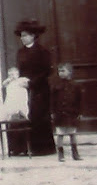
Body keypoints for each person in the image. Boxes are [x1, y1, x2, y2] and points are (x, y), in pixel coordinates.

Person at [12, 19, 56, 156]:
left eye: (25, 35)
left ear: (33, 36)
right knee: (23, 115)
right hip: (24, 88)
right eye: (21, 36)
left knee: (39, 117)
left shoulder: (42, 51)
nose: (23, 38)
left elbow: (47, 71)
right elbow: (19, 69)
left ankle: (42, 149)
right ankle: (23, 148)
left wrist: (32, 82)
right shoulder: (20, 52)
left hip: (39, 89)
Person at [51, 63, 83, 162]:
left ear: (70, 72)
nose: (60, 73)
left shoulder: (76, 85)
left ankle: (75, 153)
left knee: (72, 133)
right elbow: (52, 100)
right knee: (60, 134)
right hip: (59, 113)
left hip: (72, 113)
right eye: (59, 71)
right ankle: (61, 154)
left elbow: (79, 100)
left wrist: (80, 112)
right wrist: (52, 112)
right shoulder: (56, 85)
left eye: (63, 71)